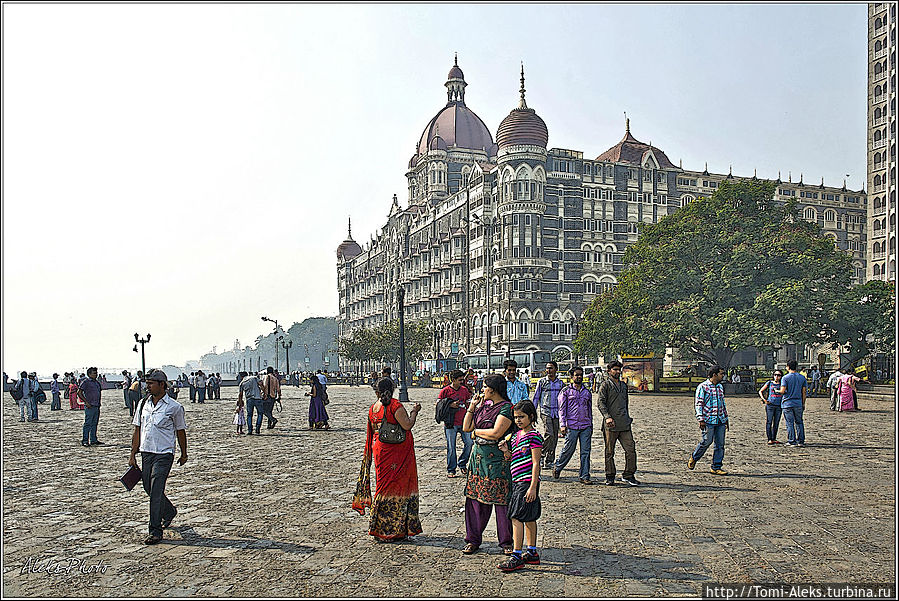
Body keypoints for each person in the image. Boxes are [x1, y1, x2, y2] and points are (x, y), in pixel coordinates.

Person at [352, 377, 422, 541]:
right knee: (397, 487)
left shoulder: (374, 408)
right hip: (396, 452)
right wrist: (414, 411)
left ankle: (379, 525)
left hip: (380, 450)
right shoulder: (395, 406)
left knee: (383, 487)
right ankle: (393, 528)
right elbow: (407, 425)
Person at [128, 369, 187, 545]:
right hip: (147, 452)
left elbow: (180, 431)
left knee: (155, 490)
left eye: (151, 383)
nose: (148, 386)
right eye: (147, 383)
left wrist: (184, 453)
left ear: (162, 385)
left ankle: (155, 530)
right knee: (148, 486)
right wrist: (132, 454)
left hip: (164, 453)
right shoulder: (142, 404)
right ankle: (168, 511)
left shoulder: (174, 407)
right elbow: (138, 429)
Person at [461, 373, 515, 555]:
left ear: (492, 389)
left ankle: (506, 541)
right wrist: (472, 407)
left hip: (496, 460)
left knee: (501, 502)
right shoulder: (483, 406)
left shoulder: (506, 408)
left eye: (484, 387)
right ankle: (473, 539)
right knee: (475, 500)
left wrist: (477, 432)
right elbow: (466, 427)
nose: (482, 390)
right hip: (478, 461)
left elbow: (495, 432)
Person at [496, 399, 543, 572]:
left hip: (526, 482)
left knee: (516, 517)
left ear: (531, 417)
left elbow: (536, 463)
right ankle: (532, 552)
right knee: (529, 517)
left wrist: (533, 486)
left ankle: (516, 555)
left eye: (522, 417)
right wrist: (505, 451)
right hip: (516, 481)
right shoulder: (515, 436)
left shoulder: (534, 436)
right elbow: (512, 458)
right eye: (516, 417)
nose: (518, 420)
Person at [597, 360, 639, 486]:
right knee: (609, 451)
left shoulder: (623, 385)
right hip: (611, 425)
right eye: (614, 369)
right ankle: (610, 475)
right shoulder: (605, 385)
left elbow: (625, 403)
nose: (617, 371)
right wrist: (607, 417)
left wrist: (628, 417)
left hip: (624, 423)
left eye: (618, 369)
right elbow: (600, 403)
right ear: (609, 371)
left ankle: (629, 474)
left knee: (630, 449)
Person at [553, 366, 594, 484]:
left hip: (585, 425)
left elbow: (589, 409)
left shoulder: (587, 392)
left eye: (581, 375)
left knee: (585, 451)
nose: (579, 377)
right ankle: (558, 466)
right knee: (568, 449)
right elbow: (561, 409)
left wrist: (591, 424)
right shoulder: (566, 392)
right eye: (576, 375)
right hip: (571, 425)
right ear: (572, 377)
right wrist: (562, 425)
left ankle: (584, 475)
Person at [688, 366, 729, 475]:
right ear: (714, 374)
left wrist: (726, 418)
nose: (723, 375)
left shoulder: (720, 387)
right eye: (721, 373)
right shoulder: (703, 387)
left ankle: (716, 466)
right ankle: (694, 457)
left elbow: (722, 404)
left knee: (720, 444)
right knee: (706, 441)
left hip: (720, 419)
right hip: (708, 419)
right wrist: (700, 418)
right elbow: (699, 404)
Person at [437, 369, 473, 478]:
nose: (462, 382)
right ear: (453, 380)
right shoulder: (445, 391)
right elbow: (439, 404)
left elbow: (468, 401)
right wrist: (450, 404)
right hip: (450, 423)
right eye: (460, 380)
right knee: (451, 447)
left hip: (463, 422)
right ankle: (451, 469)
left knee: (469, 443)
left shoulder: (464, 390)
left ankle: (462, 463)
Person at [532, 361, 564, 470]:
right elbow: (536, 397)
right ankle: (541, 454)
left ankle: (550, 459)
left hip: (557, 412)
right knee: (549, 434)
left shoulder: (560, 383)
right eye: (547, 368)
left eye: (551, 368)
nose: (548, 370)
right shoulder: (542, 382)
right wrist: (533, 412)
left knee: (554, 437)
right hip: (545, 411)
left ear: (556, 369)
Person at [779, 359, 807, 447]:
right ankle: (801, 440)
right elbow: (804, 392)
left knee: (789, 422)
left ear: (787, 367)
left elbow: (782, 391)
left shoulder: (785, 378)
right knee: (799, 422)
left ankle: (792, 440)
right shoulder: (802, 377)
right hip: (798, 402)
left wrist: (777, 391)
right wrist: (803, 403)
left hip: (787, 403)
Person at [78, 367, 103, 446]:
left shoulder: (96, 383)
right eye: (94, 373)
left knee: (94, 423)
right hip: (90, 406)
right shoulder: (86, 382)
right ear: (89, 374)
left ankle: (93, 439)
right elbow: (79, 392)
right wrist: (86, 402)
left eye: (96, 373)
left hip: (96, 405)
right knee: (88, 423)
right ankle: (85, 440)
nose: (96, 374)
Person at [758, 369, 784, 445]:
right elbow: (760, 391)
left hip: (779, 405)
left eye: (778, 375)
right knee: (769, 421)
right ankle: (769, 438)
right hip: (770, 405)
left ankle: (774, 438)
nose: (776, 377)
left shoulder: (782, 384)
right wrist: (764, 399)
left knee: (776, 422)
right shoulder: (769, 383)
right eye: (775, 375)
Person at [237, 371, 264, 435]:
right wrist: (264, 392)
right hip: (258, 398)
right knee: (260, 413)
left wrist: (240, 404)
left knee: (249, 415)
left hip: (249, 399)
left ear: (241, 377)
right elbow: (261, 384)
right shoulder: (254, 378)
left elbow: (240, 395)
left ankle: (250, 430)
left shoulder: (242, 383)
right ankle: (257, 428)